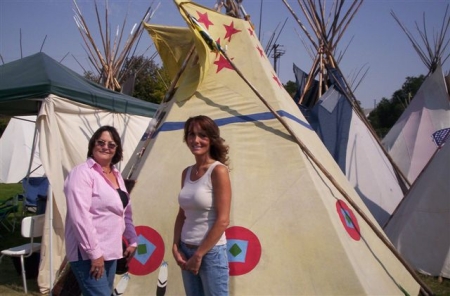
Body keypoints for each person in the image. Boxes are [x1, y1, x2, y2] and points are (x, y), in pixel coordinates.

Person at [64, 125, 138, 296]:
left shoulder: (116, 175)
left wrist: (132, 239)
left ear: (117, 149)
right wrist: (94, 254)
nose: (106, 147)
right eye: (101, 142)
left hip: (111, 251)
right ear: (92, 145)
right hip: (88, 253)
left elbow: (124, 212)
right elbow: (80, 217)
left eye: (111, 144)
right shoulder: (82, 173)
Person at [172, 115, 232, 296]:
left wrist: (199, 255)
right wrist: (175, 245)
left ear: (211, 139)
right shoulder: (187, 172)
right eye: (191, 134)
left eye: (202, 135)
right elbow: (182, 214)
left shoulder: (218, 171)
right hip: (185, 249)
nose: (195, 140)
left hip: (210, 253)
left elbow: (223, 220)